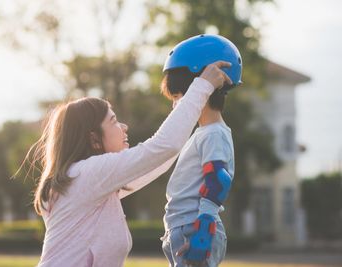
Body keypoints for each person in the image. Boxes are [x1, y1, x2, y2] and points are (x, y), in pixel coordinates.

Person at [20, 60, 232, 267]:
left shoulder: (89, 182)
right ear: (94, 138)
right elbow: (162, 148)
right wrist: (203, 85)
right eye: (113, 121)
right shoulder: (88, 174)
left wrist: (186, 106)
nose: (124, 126)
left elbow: (158, 159)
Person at [160, 34, 243, 267]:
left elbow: (217, 181)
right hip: (184, 229)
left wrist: (202, 235)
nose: (175, 105)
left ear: (203, 90)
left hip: (195, 230)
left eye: (177, 96)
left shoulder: (213, 133)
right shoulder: (203, 133)